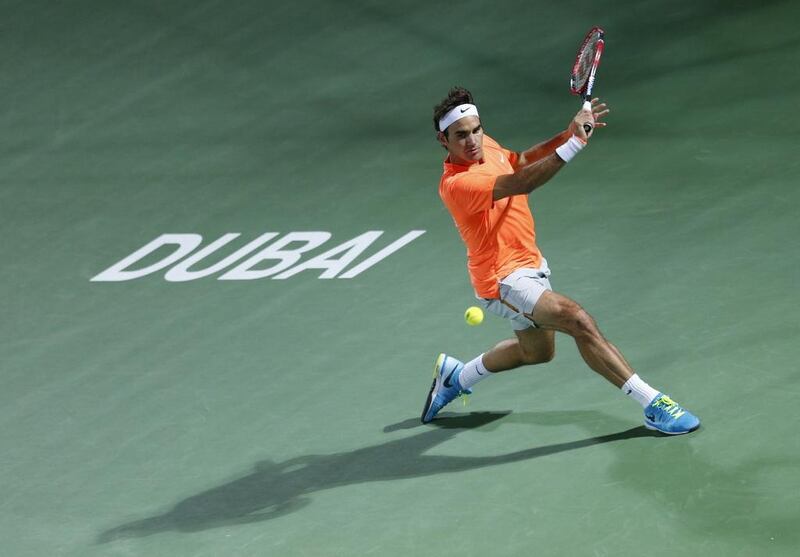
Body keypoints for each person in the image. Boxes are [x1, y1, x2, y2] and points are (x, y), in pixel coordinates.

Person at [421, 87, 700, 435]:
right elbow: (521, 181)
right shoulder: (458, 184)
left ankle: (457, 376)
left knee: (536, 353)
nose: (473, 140)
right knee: (577, 319)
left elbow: (519, 161)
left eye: (476, 129)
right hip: (502, 280)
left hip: (530, 263)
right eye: (461, 135)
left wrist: (566, 134)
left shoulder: (484, 145)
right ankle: (654, 404)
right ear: (443, 140)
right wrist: (574, 146)